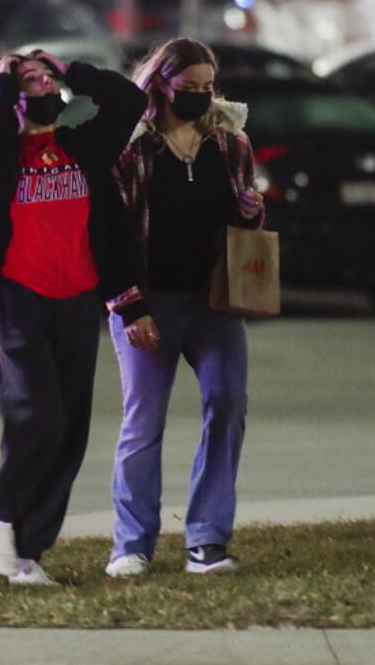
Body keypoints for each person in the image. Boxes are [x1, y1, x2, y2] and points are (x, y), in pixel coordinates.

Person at [0, 49, 152, 585]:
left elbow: (130, 99)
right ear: (9, 97)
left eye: (46, 80)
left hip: (78, 296)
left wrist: (70, 70)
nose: (43, 86)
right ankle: (0, 516)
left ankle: (27, 552)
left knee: (70, 431)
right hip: (19, 296)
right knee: (37, 413)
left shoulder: (79, 147)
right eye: (30, 81)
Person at [102, 37, 264, 578]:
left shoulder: (229, 143)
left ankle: (207, 539)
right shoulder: (134, 147)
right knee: (143, 421)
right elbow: (110, 234)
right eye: (187, 88)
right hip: (148, 301)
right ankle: (132, 544)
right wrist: (129, 305)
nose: (198, 97)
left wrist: (249, 212)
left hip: (212, 299)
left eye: (206, 87)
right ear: (160, 85)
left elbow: (242, 227)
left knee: (228, 403)